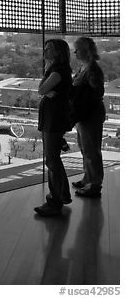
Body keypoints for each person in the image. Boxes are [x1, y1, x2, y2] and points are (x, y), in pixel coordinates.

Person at [34, 39, 74, 216]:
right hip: (53, 119)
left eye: (48, 49)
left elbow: (41, 90)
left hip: (54, 120)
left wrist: (45, 90)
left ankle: (56, 199)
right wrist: (46, 89)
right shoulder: (57, 70)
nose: (44, 51)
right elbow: (43, 90)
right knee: (53, 159)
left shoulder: (57, 71)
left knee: (52, 160)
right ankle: (60, 195)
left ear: (57, 53)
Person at [71, 37, 106, 198]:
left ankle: (95, 184)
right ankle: (88, 178)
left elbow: (97, 92)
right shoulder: (84, 67)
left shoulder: (92, 69)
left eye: (77, 49)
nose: (75, 52)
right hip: (84, 115)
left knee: (91, 150)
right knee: (85, 148)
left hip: (90, 114)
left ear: (85, 50)